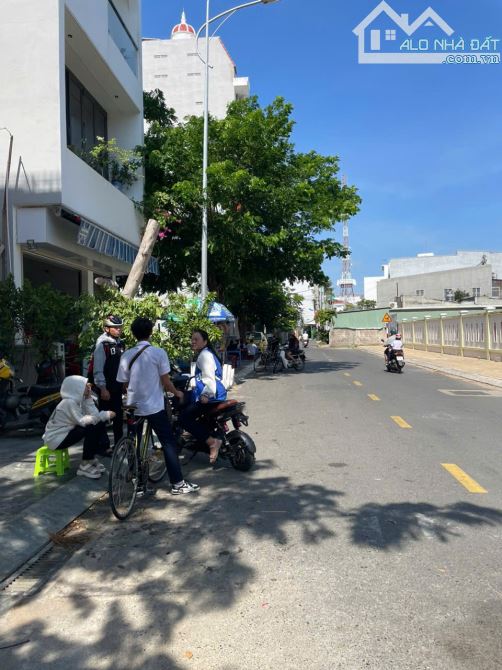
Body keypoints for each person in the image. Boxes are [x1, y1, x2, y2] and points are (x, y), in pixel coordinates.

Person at [116, 317, 199, 495]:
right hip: (154, 406)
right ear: (150, 333)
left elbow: (123, 384)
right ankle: (177, 484)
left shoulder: (127, 354)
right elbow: (166, 382)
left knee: (134, 443)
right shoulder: (158, 353)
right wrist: (177, 393)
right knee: (168, 442)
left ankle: (136, 482)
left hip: (133, 406)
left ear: (133, 333)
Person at [43, 375, 114, 479]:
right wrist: (105, 415)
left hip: (62, 435)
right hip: (55, 439)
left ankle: (89, 459)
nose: (88, 387)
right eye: (85, 385)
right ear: (76, 388)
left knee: (96, 423)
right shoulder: (69, 402)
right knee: (91, 425)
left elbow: (94, 414)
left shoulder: (78, 400)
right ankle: (85, 464)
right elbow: (83, 421)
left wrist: (88, 398)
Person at [179, 329, 227, 465]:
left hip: (211, 395)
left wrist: (206, 394)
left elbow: (209, 378)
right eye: (192, 339)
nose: (193, 342)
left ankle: (212, 442)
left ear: (205, 341)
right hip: (216, 394)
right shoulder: (206, 353)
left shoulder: (204, 356)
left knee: (184, 418)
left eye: (196, 339)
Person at [92, 315, 125, 449]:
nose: (118, 330)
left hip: (117, 386)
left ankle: (119, 444)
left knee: (118, 416)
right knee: (102, 417)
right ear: (107, 328)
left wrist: (123, 384)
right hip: (105, 388)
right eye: (115, 328)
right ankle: (102, 446)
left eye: (120, 327)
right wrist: (103, 388)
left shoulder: (120, 343)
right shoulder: (102, 344)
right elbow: (98, 368)